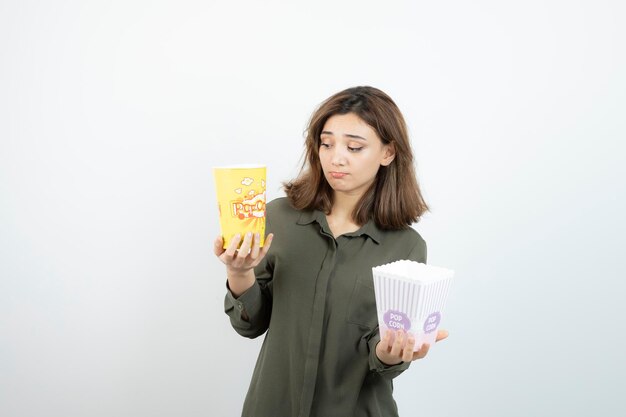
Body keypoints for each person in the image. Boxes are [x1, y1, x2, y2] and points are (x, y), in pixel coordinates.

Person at [214, 86, 448, 417]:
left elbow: (385, 348)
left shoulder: (406, 246)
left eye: (354, 146)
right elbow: (250, 325)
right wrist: (239, 272)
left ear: (388, 153)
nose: (336, 157)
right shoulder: (277, 217)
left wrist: (390, 352)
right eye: (326, 143)